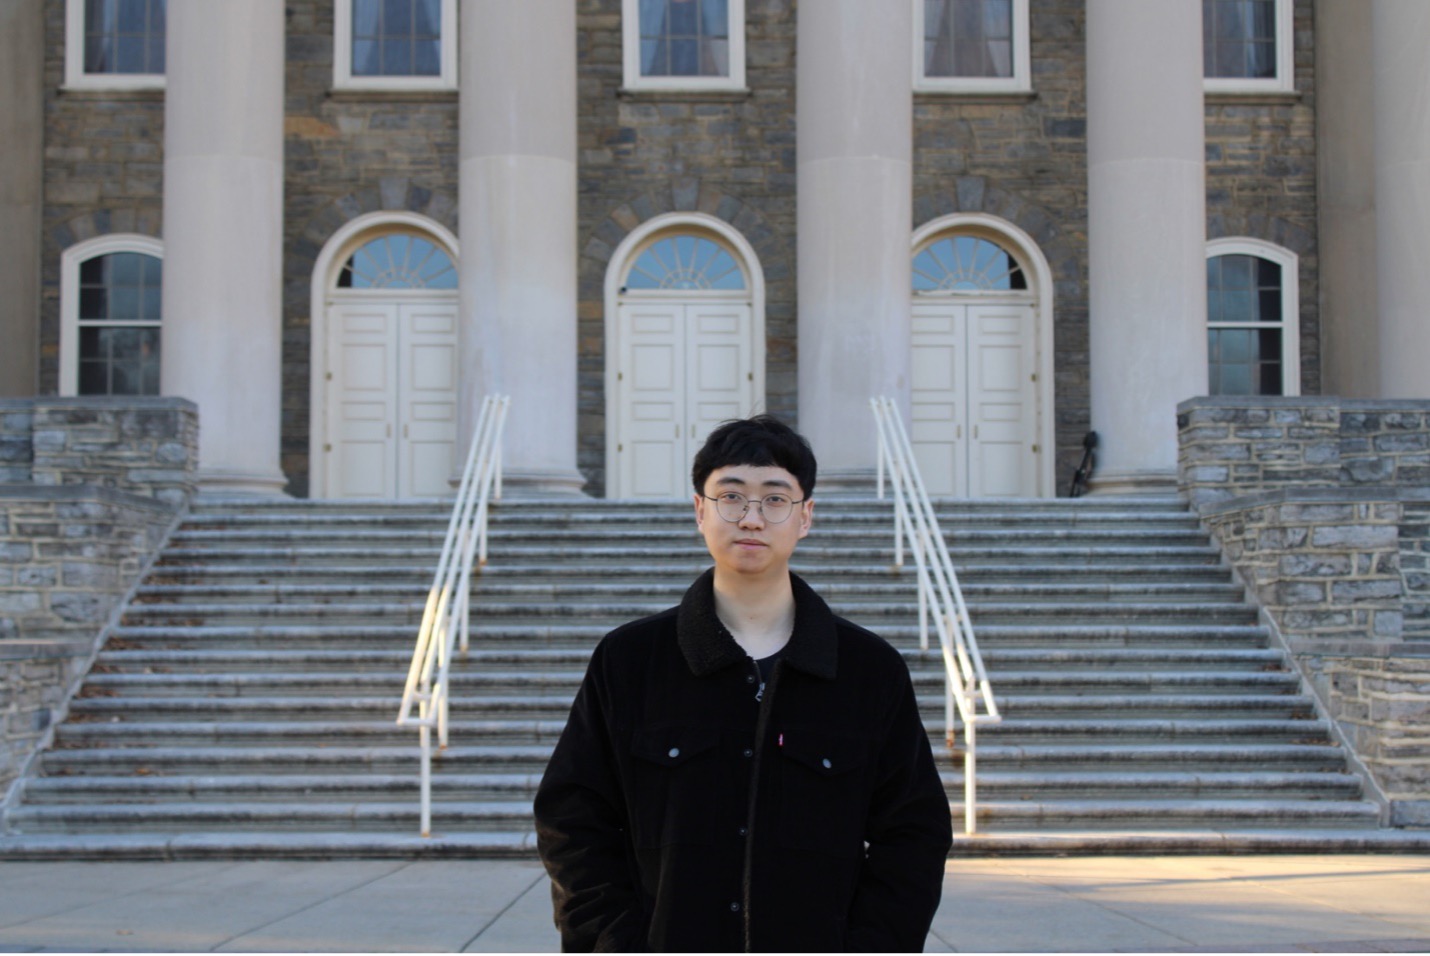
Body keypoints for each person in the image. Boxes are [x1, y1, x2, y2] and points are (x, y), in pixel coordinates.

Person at [534, 416, 952, 952]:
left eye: (775, 499)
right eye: (731, 497)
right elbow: (572, 821)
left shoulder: (869, 670)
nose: (751, 518)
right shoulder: (631, 660)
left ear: (806, 518)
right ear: (699, 512)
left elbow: (914, 833)